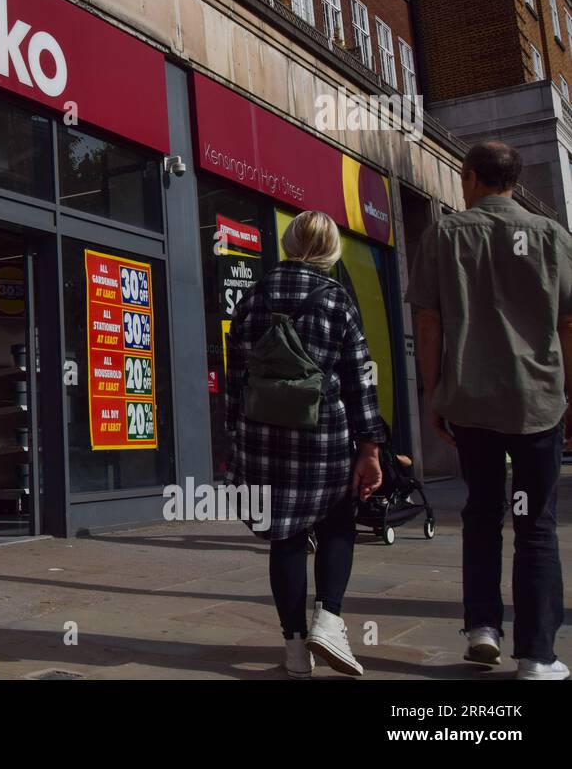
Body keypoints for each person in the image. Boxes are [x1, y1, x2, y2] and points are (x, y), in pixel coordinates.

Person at [408, 141, 569, 680]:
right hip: (536, 402)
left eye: (462, 177)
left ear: (473, 177)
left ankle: (482, 627)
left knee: (481, 512)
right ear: (514, 181)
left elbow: (428, 322)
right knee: (535, 524)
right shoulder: (550, 236)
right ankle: (538, 657)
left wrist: (433, 392)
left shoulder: (445, 234)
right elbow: (569, 324)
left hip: (472, 402)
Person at [226, 210, 385, 678]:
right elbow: (360, 379)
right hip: (324, 439)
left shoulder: (252, 297)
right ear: (331, 250)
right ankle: (330, 622)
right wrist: (371, 446)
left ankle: (295, 651)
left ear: (290, 242)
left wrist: (233, 442)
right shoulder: (337, 299)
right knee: (338, 524)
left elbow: (236, 382)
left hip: (262, 438)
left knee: (286, 536)